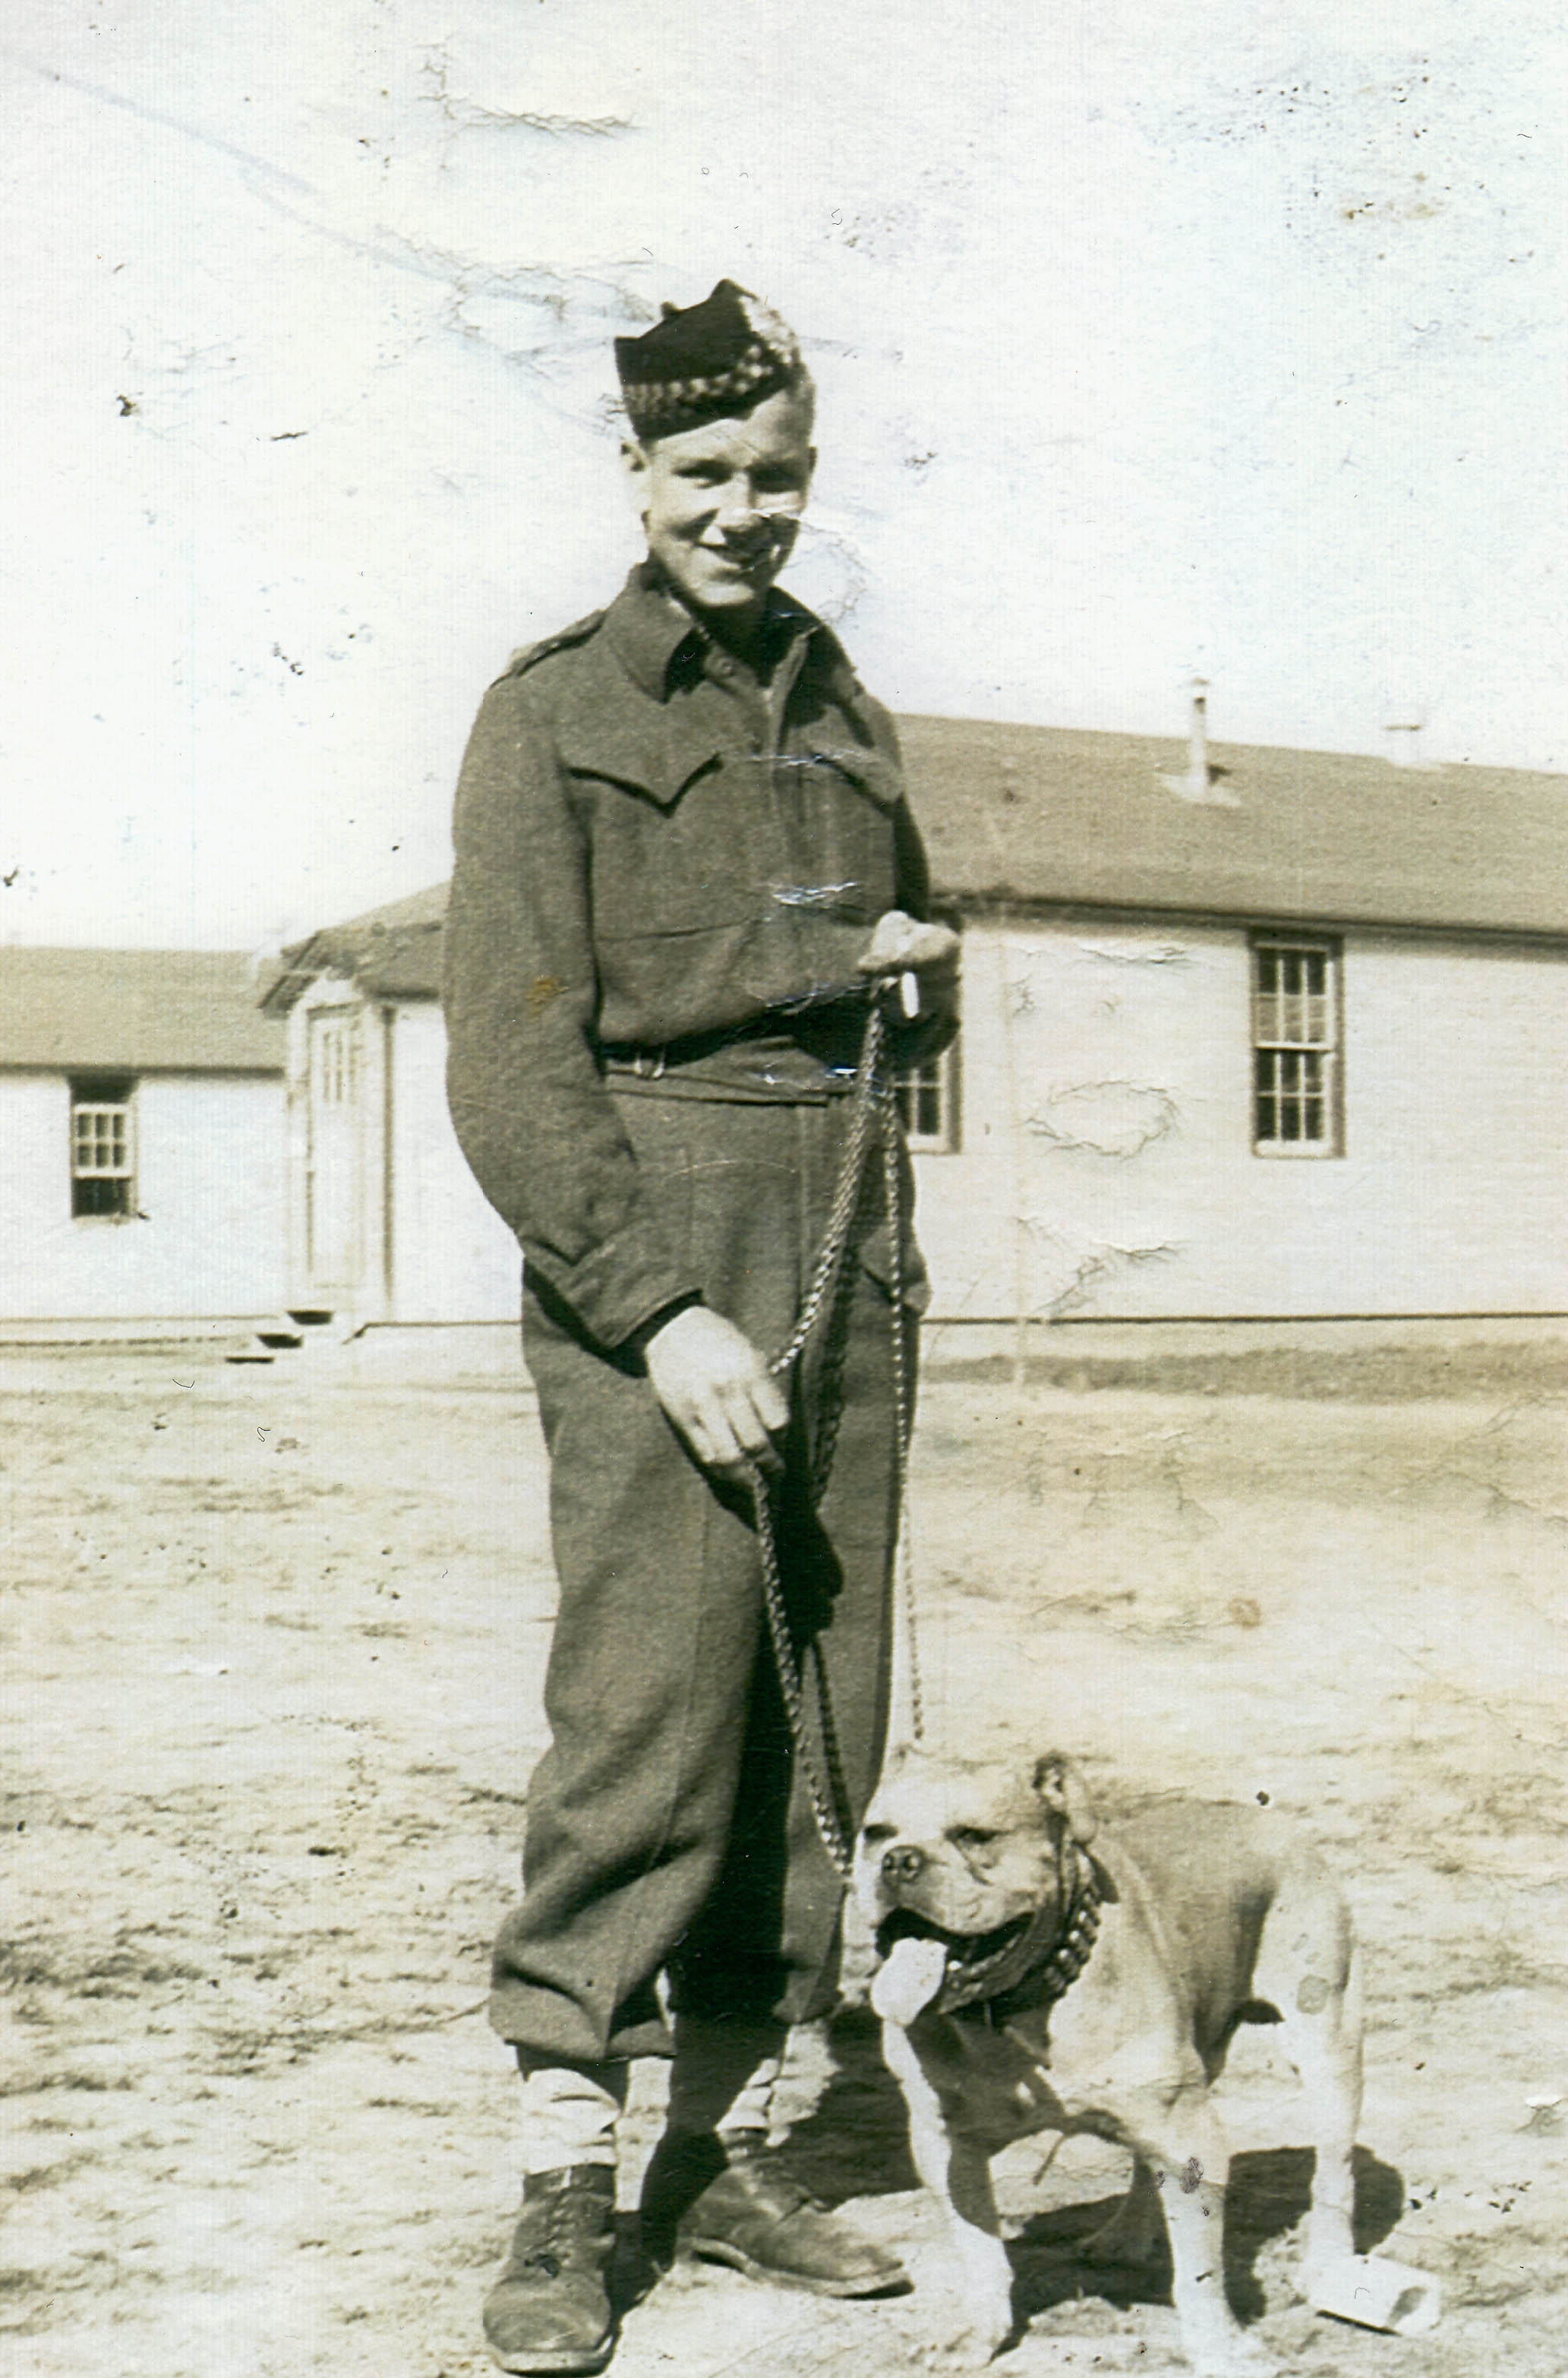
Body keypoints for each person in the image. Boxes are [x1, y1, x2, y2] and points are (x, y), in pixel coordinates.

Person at [443, 279, 959, 2375]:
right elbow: (507, 1058)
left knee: (810, 1714)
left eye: (777, 477)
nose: (743, 514)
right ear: (632, 473)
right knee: (650, 1716)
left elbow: (893, 940)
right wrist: (653, 1312)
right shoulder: (549, 707)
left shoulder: (843, 701)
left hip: (841, 1219)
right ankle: (567, 2172)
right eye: (704, 475)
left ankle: (719, 2150)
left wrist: (912, 961)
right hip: (651, 1233)